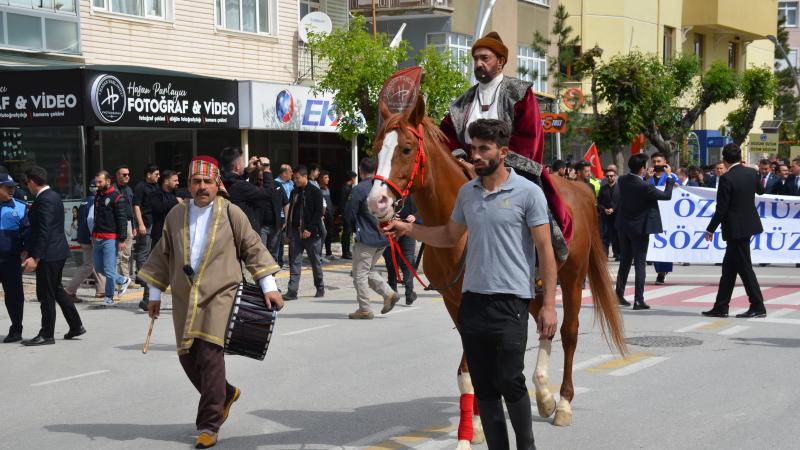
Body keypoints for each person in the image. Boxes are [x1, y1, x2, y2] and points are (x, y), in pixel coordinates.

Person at [384, 119, 557, 450]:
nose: (475, 155)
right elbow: (449, 236)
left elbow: (545, 250)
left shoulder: (528, 193)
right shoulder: (467, 193)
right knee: (485, 387)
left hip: (511, 301)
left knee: (510, 380)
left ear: (502, 152)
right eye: (473, 148)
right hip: (473, 301)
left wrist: (547, 305)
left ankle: (526, 446)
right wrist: (408, 229)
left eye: (483, 149)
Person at [139, 156, 283, 449]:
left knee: (209, 355)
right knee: (187, 356)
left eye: (207, 181)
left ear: (217, 184)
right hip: (185, 297)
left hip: (221, 294)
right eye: (196, 181)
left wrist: (269, 286)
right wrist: (154, 295)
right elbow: (162, 255)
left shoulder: (231, 212)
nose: (202, 187)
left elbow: (253, 248)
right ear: (189, 184)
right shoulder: (176, 215)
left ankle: (209, 425)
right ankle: (225, 394)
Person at [440, 31, 571, 262]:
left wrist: (495, 164)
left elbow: (528, 138)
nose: (478, 64)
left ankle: (540, 261)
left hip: (510, 170)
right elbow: (446, 135)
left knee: (541, 207)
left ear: (500, 61)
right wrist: (461, 160)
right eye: (476, 58)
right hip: (466, 169)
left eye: (485, 58)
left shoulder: (519, 92)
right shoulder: (462, 103)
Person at [21, 166, 84, 346]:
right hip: (56, 252)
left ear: (32, 182)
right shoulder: (53, 196)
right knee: (56, 290)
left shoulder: (45, 200)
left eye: (27, 183)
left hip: (49, 254)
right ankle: (76, 325)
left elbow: (44, 231)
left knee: (46, 294)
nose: (27, 187)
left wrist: (36, 257)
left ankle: (47, 334)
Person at [702, 144, 766, 319]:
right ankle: (721, 306)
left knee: (745, 269)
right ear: (740, 157)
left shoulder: (726, 178)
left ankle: (758, 306)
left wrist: (710, 228)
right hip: (748, 226)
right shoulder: (751, 173)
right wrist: (755, 171)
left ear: (724, 159)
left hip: (735, 229)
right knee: (729, 269)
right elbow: (761, 191)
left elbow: (721, 209)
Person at [615, 153, 675, 310]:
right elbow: (666, 195)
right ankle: (638, 300)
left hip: (624, 226)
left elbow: (638, 189)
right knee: (640, 264)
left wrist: (646, 178)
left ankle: (618, 295)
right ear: (642, 168)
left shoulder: (622, 180)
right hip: (640, 229)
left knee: (625, 262)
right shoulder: (645, 186)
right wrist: (669, 177)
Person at [345, 158, 400, 319]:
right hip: (383, 237)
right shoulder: (384, 187)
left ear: (361, 171)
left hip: (366, 237)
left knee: (359, 275)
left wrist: (354, 229)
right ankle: (388, 293)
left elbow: (349, 213)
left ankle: (365, 308)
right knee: (367, 270)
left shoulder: (359, 189)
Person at [139, 170, 181, 311]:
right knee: (155, 269)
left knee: (178, 268)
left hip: (176, 236)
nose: (177, 183)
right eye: (175, 180)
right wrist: (176, 201)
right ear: (166, 181)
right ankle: (147, 299)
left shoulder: (177, 193)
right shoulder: (155, 195)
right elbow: (158, 208)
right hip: (159, 237)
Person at [284, 165, 325, 300]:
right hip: (296, 232)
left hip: (311, 234)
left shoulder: (315, 191)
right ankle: (292, 291)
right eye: (294, 178)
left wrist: (310, 229)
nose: (295, 180)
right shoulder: (294, 192)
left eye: (297, 178)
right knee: (294, 261)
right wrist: (288, 231)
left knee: (315, 262)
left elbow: (318, 213)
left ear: (305, 177)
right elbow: (291, 212)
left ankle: (320, 287)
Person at [93, 170, 132, 306]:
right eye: (96, 182)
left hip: (110, 238)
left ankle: (109, 297)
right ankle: (122, 280)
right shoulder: (98, 196)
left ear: (108, 181)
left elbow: (122, 220)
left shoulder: (117, 197)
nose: (97, 184)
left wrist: (122, 239)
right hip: (97, 237)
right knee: (99, 268)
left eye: (100, 182)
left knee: (109, 271)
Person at [66, 180, 106, 303]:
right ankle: (69, 291)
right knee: (89, 265)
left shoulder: (84, 201)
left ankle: (101, 290)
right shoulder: (96, 201)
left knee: (95, 262)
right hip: (90, 237)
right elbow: (91, 220)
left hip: (84, 236)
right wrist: (94, 236)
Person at [0, 173, 28, 343]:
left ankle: (16, 329)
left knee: (14, 296)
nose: (12, 190)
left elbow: (28, 232)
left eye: (13, 187)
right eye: (7, 187)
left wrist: (27, 250)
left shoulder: (21, 207)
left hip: (10, 261)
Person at [648, 152, 682, 285]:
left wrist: (670, 177)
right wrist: (647, 178)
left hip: (669, 216)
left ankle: (662, 272)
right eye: (654, 161)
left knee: (665, 244)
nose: (656, 164)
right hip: (652, 214)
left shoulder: (672, 176)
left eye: (658, 161)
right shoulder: (648, 177)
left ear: (664, 162)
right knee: (655, 244)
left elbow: (681, 191)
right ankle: (660, 270)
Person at [219, 147, 271, 233]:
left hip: (230, 229)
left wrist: (247, 170)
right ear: (237, 166)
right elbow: (267, 193)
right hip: (245, 233)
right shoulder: (241, 186)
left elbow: (233, 179)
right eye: (243, 161)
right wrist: (266, 169)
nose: (244, 164)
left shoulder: (222, 180)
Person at [382, 196, 419, 305]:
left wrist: (415, 216)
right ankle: (393, 292)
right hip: (390, 231)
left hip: (407, 230)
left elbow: (422, 210)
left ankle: (409, 293)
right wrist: (390, 216)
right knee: (391, 262)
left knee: (407, 261)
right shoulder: (386, 195)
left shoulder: (411, 195)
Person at [132, 164, 160, 307]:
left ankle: (147, 296)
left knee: (152, 257)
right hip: (146, 224)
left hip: (156, 225)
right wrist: (141, 224)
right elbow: (136, 206)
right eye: (156, 174)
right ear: (148, 174)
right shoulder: (140, 187)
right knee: (143, 253)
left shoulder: (156, 187)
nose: (158, 176)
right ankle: (143, 277)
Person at [114, 165, 136, 284]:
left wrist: (134, 226)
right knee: (118, 254)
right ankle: (119, 280)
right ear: (118, 175)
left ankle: (126, 280)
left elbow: (131, 209)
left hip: (128, 223)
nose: (127, 176)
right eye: (124, 174)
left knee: (127, 253)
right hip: (117, 223)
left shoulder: (129, 190)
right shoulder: (113, 189)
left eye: (128, 174)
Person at [597, 167, 620, 260]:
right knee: (605, 236)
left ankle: (617, 254)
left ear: (615, 176)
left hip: (617, 216)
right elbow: (599, 202)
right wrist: (605, 209)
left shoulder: (620, 188)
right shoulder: (603, 189)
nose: (610, 177)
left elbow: (621, 202)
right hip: (605, 216)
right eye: (608, 176)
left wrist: (613, 209)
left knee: (617, 236)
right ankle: (604, 255)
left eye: (611, 176)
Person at [274, 164, 294, 266]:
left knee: (291, 239)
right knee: (279, 240)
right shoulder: (275, 183)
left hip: (290, 215)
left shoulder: (291, 183)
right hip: (280, 216)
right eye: (290, 172)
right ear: (285, 173)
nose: (292, 174)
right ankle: (278, 261)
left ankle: (291, 261)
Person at [338, 170, 357, 259]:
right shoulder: (346, 188)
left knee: (348, 233)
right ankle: (345, 252)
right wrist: (344, 214)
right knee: (346, 233)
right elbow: (344, 203)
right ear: (352, 178)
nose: (355, 180)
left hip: (348, 214)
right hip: (347, 214)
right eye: (354, 178)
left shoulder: (348, 188)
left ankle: (347, 251)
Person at [319, 170, 335, 259]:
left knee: (329, 233)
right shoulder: (318, 190)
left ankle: (329, 253)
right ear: (320, 179)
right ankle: (319, 254)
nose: (328, 179)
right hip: (323, 216)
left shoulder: (328, 189)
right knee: (322, 234)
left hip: (330, 215)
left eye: (328, 177)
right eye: (325, 177)